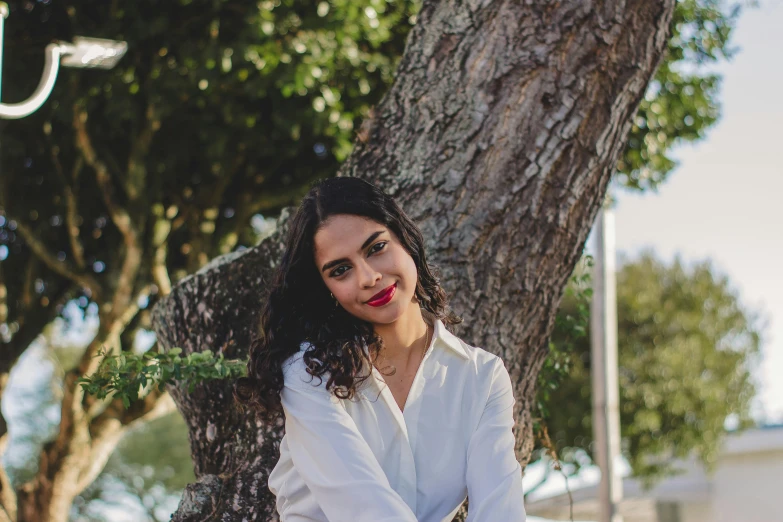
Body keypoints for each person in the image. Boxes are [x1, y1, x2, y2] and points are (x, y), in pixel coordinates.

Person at [233, 177, 526, 521]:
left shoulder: (481, 378)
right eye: (341, 270)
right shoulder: (308, 374)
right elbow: (366, 511)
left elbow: (500, 509)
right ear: (327, 289)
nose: (368, 277)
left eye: (376, 248)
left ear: (406, 239)